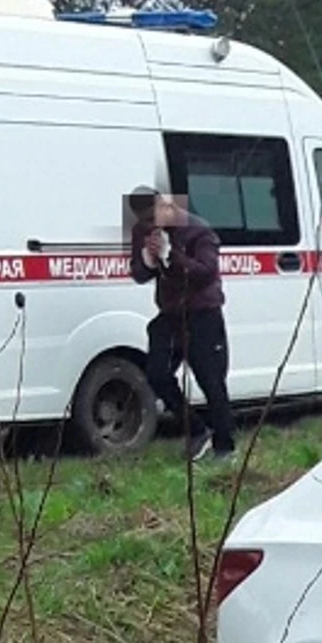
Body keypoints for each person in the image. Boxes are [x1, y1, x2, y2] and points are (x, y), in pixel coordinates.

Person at [128, 186, 235, 462]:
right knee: (157, 373)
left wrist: (171, 255)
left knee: (211, 381)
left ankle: (225, 446)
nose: (149, 226)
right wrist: (147, 262)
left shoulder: (199, 231)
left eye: (154, 218)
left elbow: (206, 273)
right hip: (170, 314)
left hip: (203, 313)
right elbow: (139, 274)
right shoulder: (143, 230)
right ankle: (197, 430)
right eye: (145, 221)